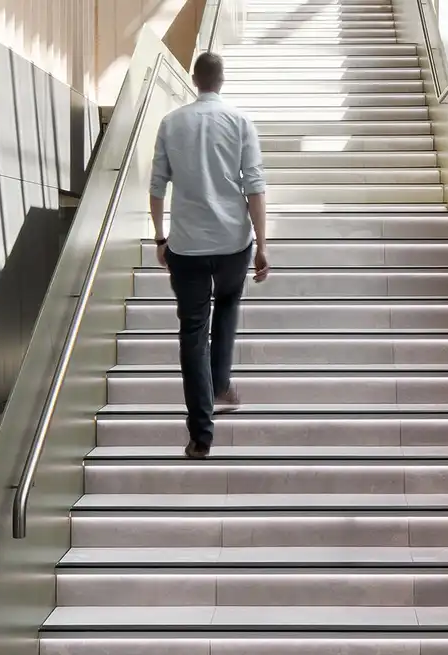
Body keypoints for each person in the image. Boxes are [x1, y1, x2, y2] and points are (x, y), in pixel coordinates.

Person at [148, 51, 270, 460]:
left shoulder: (171, 123)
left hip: (186, 247)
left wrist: (159, 238)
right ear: (221, 80)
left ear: (194, 80)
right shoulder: (240, 122)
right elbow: (254, 186)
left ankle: (201, 435)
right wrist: (262, 244)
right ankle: (220, 384)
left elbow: (156, 187)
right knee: (229, 303)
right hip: (234, 242)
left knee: (192, 332)